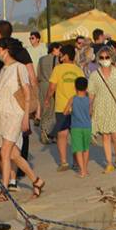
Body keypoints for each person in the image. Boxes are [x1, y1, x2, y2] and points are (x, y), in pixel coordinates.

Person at [0, 21, 37, 188]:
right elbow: (32, 79)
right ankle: (24, 180)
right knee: (13, 149)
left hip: (10, 109)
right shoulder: (23, 53)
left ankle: (5, 186)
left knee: (5, 150)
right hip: (8, 107)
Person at [0, 38, 44, 200]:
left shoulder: (20, 67)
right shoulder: (3, 69)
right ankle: (37, 180)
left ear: (6, 50)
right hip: (0, 112)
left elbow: (27, 92)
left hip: (14, 113)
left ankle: (4, 189)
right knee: (13, 155)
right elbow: (0, 90)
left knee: (5, 152)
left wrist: (26, 116)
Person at [90, 46, 116, 173]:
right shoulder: (94, 75)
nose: (104, 59)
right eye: (101, 57)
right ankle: (109, 163)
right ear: (98, 59)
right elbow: (91, 93)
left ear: (111, 58)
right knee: (105, 136)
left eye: (107, 57)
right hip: (100, 107)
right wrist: (90, 107)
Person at [44, 43, 82, 171]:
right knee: (76, 134)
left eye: (61, 54)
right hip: (77, 106)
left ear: (66, 55)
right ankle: (77, 162)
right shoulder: (78, 69)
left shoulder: (58, 69)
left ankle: (64, 162)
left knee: (62, 134)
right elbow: (83, 88)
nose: (59, 56)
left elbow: (52, 87)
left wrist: (47, 99)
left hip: (61, 107)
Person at [65, 77, 92, 177]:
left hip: (76, 127)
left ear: (75, 87)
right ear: (86, 87)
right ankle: (85, 168)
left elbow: (65, 111)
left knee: (78, 149)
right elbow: (90, 113)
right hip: (87, 126)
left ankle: (82, 171)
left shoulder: (73, 99)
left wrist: (72, 111)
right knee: (86, 148)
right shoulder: (89, 99)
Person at [36, 41, 61, 144]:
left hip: (42, 85)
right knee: (53, 110)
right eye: (59, 49)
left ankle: (44, 131)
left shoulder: (41, 59)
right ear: (54, 49)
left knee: (45, 108)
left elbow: (38, 73)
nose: (60, 52)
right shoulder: (58, 60)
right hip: (53, 85)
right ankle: (50, 133)